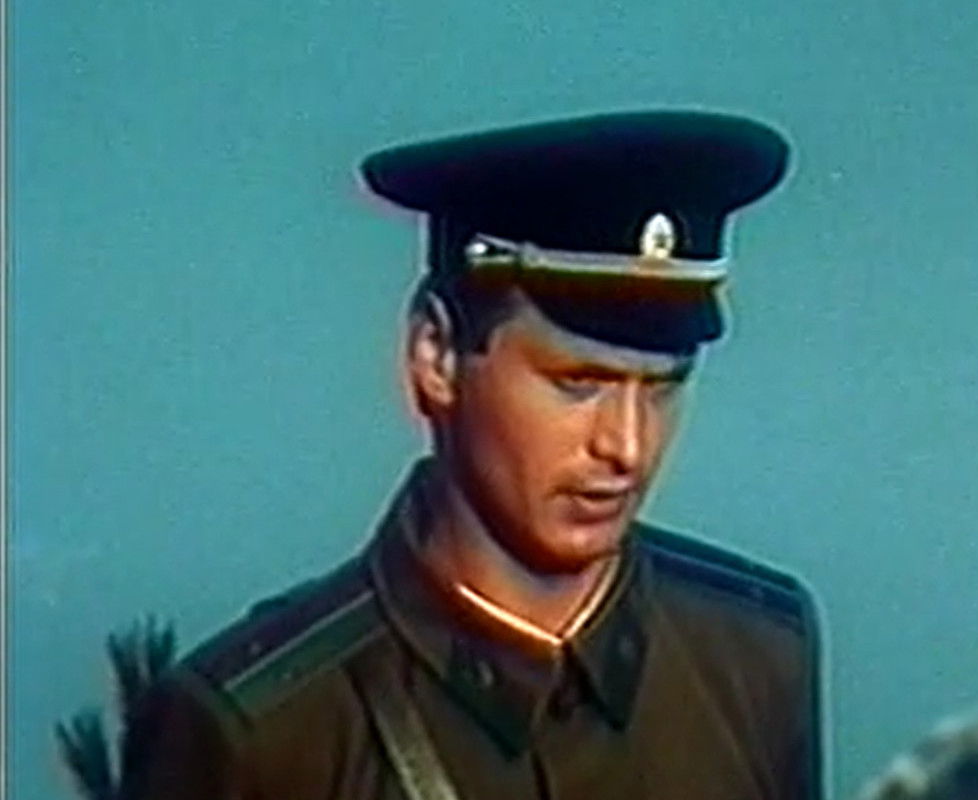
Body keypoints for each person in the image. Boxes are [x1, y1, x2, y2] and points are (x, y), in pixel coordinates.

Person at [118, 111, 823, 800]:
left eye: (664, 387)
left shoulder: (758, 652)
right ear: (436, 355)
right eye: (578, 383)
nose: (627, 447)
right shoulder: (262, 728)